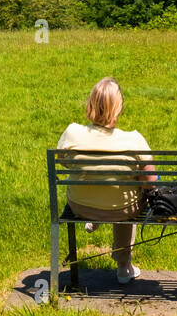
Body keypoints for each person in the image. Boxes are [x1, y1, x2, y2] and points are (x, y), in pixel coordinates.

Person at [56, 77, 155, 283]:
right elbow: (151, 182)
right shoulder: (134, 139)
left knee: (115, 190)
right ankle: (124, 267)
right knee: (129, 198)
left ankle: (96, 219)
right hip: (121, 209)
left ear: (90, 103)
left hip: (80, 206)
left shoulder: (72, 133)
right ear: (118, 108)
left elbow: (63, 162)